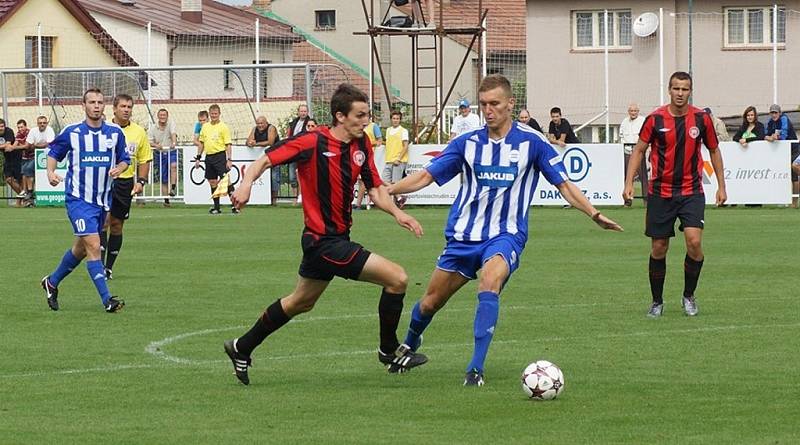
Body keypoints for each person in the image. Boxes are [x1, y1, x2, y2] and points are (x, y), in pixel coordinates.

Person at [387, 74, 623, 387]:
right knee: (430, 302)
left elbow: (564, 185)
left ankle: (475, 369)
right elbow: (426, 176)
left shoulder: (533, 143)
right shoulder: (467, 144)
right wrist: (389, 190)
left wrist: (593, 213)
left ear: (510, 104)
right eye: (483, 104)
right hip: (463, 236)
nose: (488, 110)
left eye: (495, 103)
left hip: (506, 234)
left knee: (489, 281)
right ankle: (410, 344)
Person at [222, 83, 428, 385]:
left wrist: (398, 213)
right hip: (323, 242)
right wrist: (246, 183)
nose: (365, 121)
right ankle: (388, 350)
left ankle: (241, 347)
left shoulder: (362, 146)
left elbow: (374, 190)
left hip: (332, 241)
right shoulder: (311, 141)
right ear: (340, 116)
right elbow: (265, 159)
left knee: (300, 302)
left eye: (367, 115)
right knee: (397, 279)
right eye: (359, 116)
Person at [623, 71, 727, 319]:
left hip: (692, 190)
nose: (680, 93)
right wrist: (629, 183)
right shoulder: (655, 119)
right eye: (676, 89)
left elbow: (714, 151)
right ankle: (657, 301)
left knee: (694, 242)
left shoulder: (701, 119)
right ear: (669, 90)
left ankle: (689, 295)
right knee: (659, 247)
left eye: (685, 89)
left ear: (690, 91)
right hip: (661, 192)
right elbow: (638, 151)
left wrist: (722, 186)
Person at [40, 88, 129, 313]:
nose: (96, 106)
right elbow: (53, 153)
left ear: (104, 106)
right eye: (92, 102)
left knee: (80, 250)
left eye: (100, 102)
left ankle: (51, 282)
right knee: (94, 245)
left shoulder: (115, 133)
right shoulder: (73, 132)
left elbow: (125, 159)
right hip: (78, 200)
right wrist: (50, 173)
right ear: (84, 105)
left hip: (102, 202)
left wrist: (120, 167)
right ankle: (107, 300)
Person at [100, 94, 152, 280]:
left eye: (129, 106)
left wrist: (141, 181)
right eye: (123, 106)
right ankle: (98, 265)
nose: (126, 110)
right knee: (103, 222)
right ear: (114, 109)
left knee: (116, 225)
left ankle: (108, 268)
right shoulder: (103, 129)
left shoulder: (139, 132)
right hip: (103, 181)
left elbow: (145, 159)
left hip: (125, 183)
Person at [195, 104, 234, 214]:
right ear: (209, 114)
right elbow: (201, 143)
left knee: (225, 181)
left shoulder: (223, 127)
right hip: (209, 157)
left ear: (219, 114)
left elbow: (228, 144)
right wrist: (198, 158)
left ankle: (235, 205)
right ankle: (217, 207)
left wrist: (229, 159)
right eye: (212, 114)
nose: (214, 116)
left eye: (216, 114)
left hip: (220, 156)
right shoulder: (205, 127)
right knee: (212, 181)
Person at [764, 104, 798, 207]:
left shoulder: (784, 119)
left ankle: (795, 202)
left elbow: (783, 135)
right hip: (780, 151)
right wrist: (768, 137)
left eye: (775, 113)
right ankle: (783, 199)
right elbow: (765, 133)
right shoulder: (770, 122)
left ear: (780, 113)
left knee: (794, 176)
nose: (774, 115)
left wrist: (775, 137)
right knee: (782, 175)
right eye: (772, 113)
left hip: (793, 149)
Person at [246, 115, 280, 205]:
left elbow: (270, 142)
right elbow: (248, 140)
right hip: (261, 158)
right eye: (258, 123)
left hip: (275, 156)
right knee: (261, 177)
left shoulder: (271, 128)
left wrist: (255, 144)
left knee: (274, 177)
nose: (260, 125)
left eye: (261, 123)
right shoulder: (254, 129)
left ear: (266, 123)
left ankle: (274, 200)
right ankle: (261, 199)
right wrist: (250, 143)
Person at [148, 108, 178, 207]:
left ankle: (173, 188)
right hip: (159, 153)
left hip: (170, 150)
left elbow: (173, 133)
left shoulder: (171, 123)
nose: (162, 117)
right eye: (160, 115)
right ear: (158, 116)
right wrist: (156, 146)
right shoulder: (153, 128)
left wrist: (174, 143)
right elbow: (149, 142)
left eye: (164, 115)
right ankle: (166, 201)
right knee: (164, 178)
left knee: (173, 166)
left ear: (167, 116)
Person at [24, 115, 56, 207]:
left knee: (31, 169)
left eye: (44, 123)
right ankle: (30, 193)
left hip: (50, 156)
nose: (42, 124)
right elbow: (28, 145)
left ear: (47, 123)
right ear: (37, 123)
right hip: (37, 157)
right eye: (40, 123)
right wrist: (37, 145)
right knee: (27, 169)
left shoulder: (50, 130)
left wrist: (36, 145)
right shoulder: (33, 131)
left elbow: (49, 144)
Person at [619, 103, 647, 206]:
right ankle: (627, 200)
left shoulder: (643, 121)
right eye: (631, 111)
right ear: (628, 112)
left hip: (639, 152)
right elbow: (621, 135)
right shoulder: (624, 122)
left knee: (643, 177)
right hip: (627, 151)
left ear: (638, 111)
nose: (633, 113)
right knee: (627, 177)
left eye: (635, 111)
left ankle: (646, 201)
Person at [383, 110, 410, 208]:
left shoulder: (403, 131)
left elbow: (405, 146)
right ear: (391, 119)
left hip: (399, 160)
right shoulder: (388, 130)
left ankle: (396, 202)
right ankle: (399, 198)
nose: (395, 120)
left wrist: (399, 158)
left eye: (397, 119)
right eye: (394, 118)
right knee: (384, 181)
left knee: (395, 183)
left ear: (400, 120)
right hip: (389, 159)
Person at [355, 115, 382, 210]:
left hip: (371, 158)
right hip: (359, 157)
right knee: (362, 181)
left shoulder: (374, 126)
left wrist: (367, 144)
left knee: (366, 181)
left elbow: (379, 141)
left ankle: (358, 204)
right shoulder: (357, 127)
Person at [285, 104, 310, 203]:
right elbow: (288, 136)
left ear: (307, 112)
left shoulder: (310, 123)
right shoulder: (293, 123)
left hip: (304, 153)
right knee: (292, 176)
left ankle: (303, 196)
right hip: (293, 152)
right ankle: (295, 198)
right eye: (301, 111)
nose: (303, 113)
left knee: (303, 175)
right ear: (298, 112)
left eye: (305, 111)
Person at [0, 118, 24, 205]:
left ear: (4, 126)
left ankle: (20, 201)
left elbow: (8, 145)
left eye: (2, 126)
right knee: (8, 179)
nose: (1, 128)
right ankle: (23, 193)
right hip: (8, 158)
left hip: (16, 157)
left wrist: (5, 146)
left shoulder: (9, 131)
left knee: (19, 179)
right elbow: (5, 147)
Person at [13, 120, 30, 207]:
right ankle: (25, 193)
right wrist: (12, 147)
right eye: (18, 127)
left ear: (26, 126)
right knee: (23, 174)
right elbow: (15, 144)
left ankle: (26, 194)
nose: (20, 129)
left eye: (21, 127)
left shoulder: (29, 133)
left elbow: (27, 146)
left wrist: (14, 148)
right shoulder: (19, 134)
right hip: (24, 158)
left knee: (27, 174)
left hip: (33, 157)